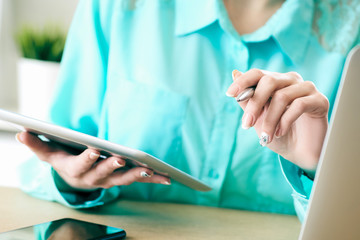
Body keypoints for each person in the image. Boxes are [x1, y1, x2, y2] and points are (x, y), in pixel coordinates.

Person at [17, 0, 360, 223]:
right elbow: (53, 157)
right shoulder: (117, 7)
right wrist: (71, 179)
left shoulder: (351, 36)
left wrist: (318, 171)